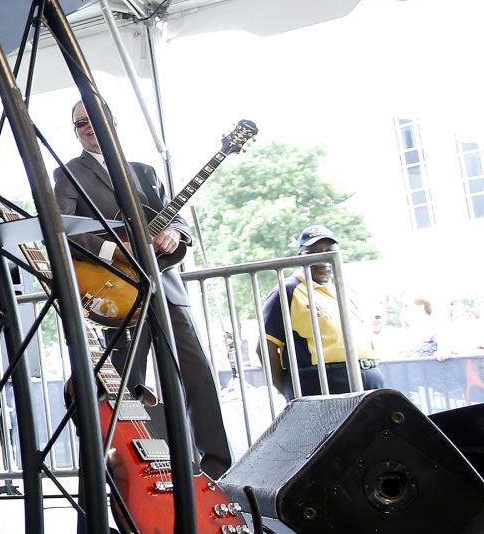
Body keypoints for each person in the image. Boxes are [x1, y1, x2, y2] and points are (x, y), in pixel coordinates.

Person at [52, 102, 232, 478]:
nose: (88, 128)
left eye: (94, 120)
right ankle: (126, 475)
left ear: (113, 123)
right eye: (80, 124)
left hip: (166, 288)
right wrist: (115, 249)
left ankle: (217, 471)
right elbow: (62, 229)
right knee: (125, 384)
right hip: (118, 288)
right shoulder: (68, 174)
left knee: (197, 373)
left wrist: (173, 232)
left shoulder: (145, 172)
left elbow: (176, 215)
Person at [261, 224, 384, 396]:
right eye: (313, 253)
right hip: (324, 382)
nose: (322, 258)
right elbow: (266, 347)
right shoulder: (288, 290)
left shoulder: (343, 289)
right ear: (300, 257)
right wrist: (290, 391)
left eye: (329, 250)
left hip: (369, 376)